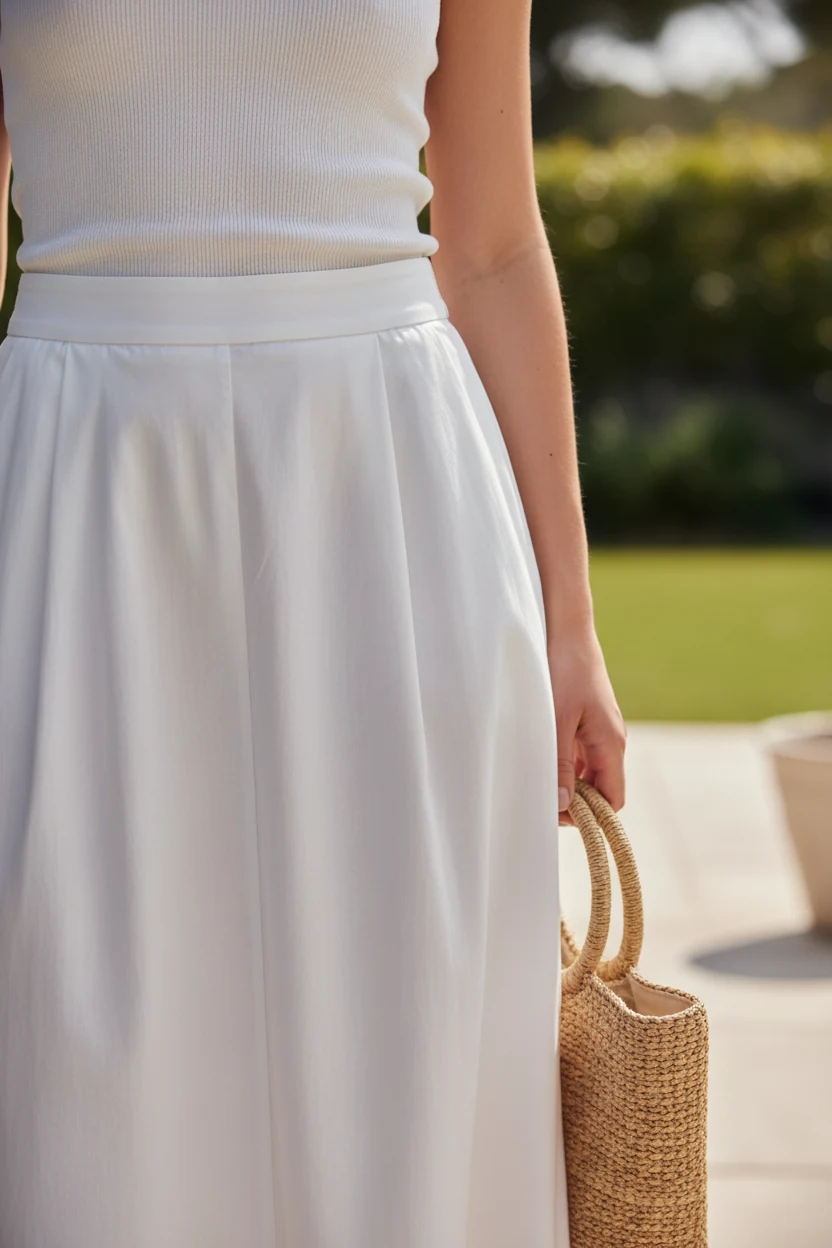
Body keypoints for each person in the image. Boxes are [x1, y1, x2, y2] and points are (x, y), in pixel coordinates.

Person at [0, 1, 627, 1245]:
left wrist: (571, 624)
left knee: (402, 1039)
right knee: (81, 1048)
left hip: (390, 490)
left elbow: (494, 243)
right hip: (78, 485)